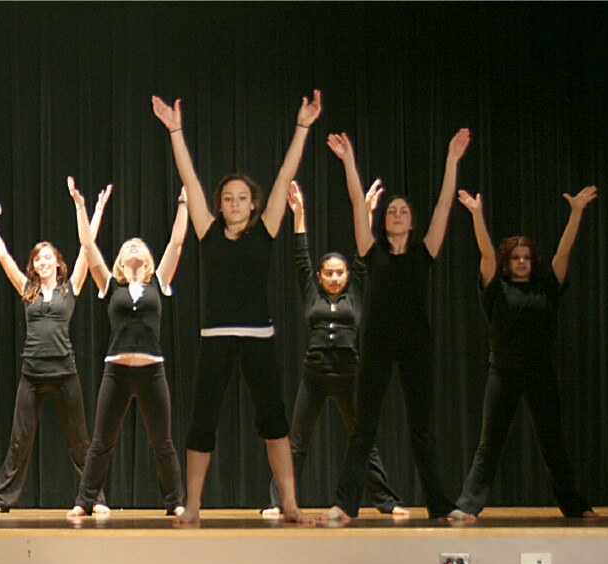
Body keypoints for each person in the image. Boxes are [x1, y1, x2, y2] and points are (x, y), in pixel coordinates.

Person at [152, 90, 322, 525]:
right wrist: (175, 132)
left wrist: (302, 128)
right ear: (219, 204)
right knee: (201, 422)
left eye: (241, 197)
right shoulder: (208, 233)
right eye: (227, 198)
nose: (234, 204)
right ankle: (193, 505)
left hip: (258, 337)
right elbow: (190, 180)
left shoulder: (265, 232)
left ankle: (290, 504)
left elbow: (284, 177)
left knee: (274, 420)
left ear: (253, 203)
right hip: (216, 337)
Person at [324, 129, 474, 523]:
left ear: (412, 222)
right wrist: (349, 160)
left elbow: (444, 204)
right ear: (384, 220)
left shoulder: (425, 252)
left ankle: (440, 506)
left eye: (403, 211)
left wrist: (452, 160)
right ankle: (345, 505)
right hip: (376, 344)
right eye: (391, 211)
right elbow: (357, 201)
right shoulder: (371, 252)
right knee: (363, 428)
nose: (396, 215)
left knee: (422, 430)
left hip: (415, 345)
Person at [264, 181, 409, 518]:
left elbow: (362, 257)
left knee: (363, 441)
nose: (333, 278)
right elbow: (301, 258)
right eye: (327, 273)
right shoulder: (312, 293)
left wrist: (368, 213)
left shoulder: (354, 291)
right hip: (314, 376)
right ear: (319, 276)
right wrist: (299, 214)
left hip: (349, 376)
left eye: (338, 273)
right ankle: (278, 502)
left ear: (346, 276)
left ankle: (387, 501)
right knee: (296, 443)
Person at [453, 187, 599, 520]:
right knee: (489, 444)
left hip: (540, 372)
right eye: (515, 257)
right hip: (502, 373)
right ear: (507, 262)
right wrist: (477, 215)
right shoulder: (496, 289)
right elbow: (486, 253)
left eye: (526, 257)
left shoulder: (546, 288)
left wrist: (576, 212)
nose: (521, 262)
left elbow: (563, 253)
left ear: (533, 261)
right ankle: (468, 505)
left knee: (552, 443)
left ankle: (574, 505)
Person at [0, 182, 111, 515]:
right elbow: (2, 256)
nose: (42, 262)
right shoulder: (27, 288)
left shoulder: (71, 287)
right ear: (34, 265)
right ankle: (1, 499)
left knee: (80, 441)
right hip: (32, 373)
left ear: (57, 262)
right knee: (19, 439)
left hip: (65, 371)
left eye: (47, 257)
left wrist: (93, 209)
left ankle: (94, 499)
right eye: (37, 258)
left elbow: (87, 248)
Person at [66, 178, 188, 518]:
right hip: (116, 372)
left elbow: (177, 243)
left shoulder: (158, 281)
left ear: (147, 257)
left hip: (152, 371)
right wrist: (81, 207)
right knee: (101, 443)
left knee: (162, 443)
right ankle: (83, 501)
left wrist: (184, 205)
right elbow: (87, 246)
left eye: (138, 245)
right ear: (120, 258)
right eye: (128, 245)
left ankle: (175, 502)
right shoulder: (110, 284)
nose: (133, 246)